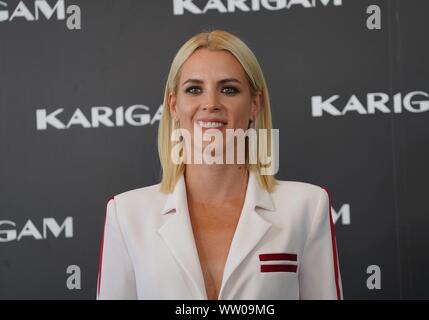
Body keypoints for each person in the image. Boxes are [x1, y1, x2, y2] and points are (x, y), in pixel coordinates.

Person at [96, 29, 343, 300]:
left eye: (228, 89)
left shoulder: (306, 207)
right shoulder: (127, 214)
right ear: (174, 105)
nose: (210, 103)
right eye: (194, 89)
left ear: (254, 105)